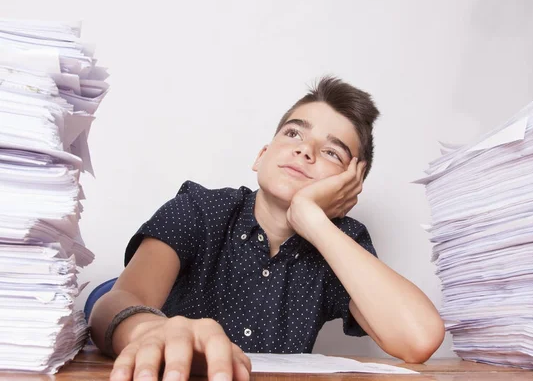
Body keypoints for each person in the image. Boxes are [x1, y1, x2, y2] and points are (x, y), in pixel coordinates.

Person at [89, 76, 445, 381]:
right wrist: (154, 332)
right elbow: (117, 302)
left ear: (349, 187)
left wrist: (312, 220)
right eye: (293, 134)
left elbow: (418, 338)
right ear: (262, 155)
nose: (306, 150)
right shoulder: (199, 209)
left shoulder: (342, 241)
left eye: (332, 153)